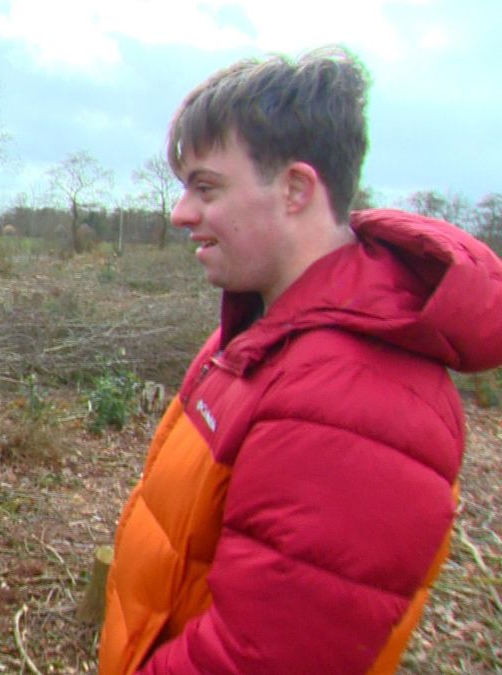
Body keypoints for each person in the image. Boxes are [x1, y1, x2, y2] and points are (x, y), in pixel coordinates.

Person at [97, 47, 502, 674]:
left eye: (206, 187)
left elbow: (259, 659)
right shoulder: (256, 334)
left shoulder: (357, 401)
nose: (180, 213)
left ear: (295, 189)